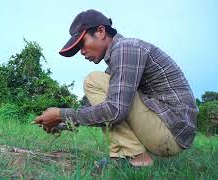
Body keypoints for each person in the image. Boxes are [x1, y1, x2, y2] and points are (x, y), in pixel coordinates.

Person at [35, 9, 198, 167]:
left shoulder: (126, 48)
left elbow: (114, 111)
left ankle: (133, 157)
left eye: (83, 44)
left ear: (100, 31)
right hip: (170, 132)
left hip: (170, 131)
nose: (82, 52)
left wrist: (60, 113)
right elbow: (99, 109)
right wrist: (62, 123)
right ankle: (129, 157)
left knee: (93, 80)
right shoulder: (120, 56)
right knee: (104, 89)